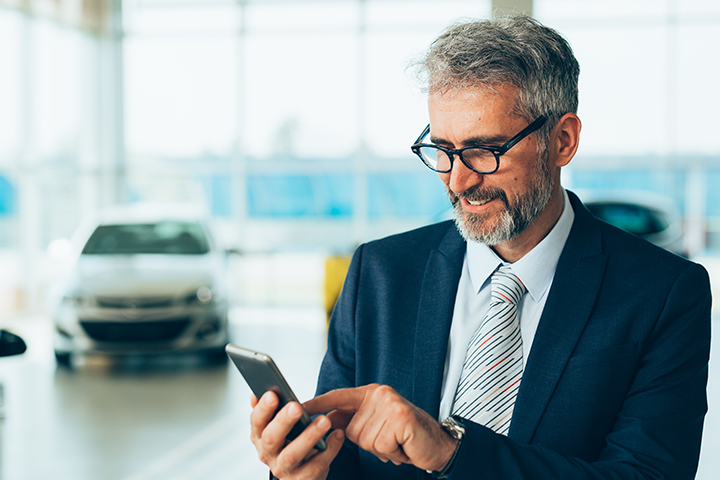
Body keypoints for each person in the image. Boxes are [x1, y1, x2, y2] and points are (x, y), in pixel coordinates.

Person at [249, 15, 712, 480]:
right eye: (443, 149)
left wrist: (452, 451)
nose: (458, 179)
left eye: (485, 150)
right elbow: (342, 460)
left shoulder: (664, 293)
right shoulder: (380, 273)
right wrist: (304, 471)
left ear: (562, 141)